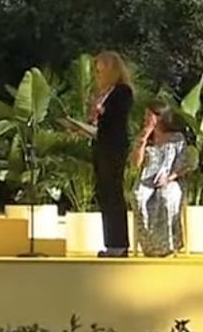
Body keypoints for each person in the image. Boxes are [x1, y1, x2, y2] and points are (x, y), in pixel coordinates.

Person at [88, 51, 135, 257]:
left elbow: (117, 118)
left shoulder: (122, 91)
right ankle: (110, 243)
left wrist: (102, 111)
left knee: (113, 192)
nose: (98, 75)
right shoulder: (103, 92)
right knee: (103, 192)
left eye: (101, 70)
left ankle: (119, 243)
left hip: (114, 147)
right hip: (101, 145)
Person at [131, 104, 186, 257]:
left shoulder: (177, 138)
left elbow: (183, 164)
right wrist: (143, 138)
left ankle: (169, 245)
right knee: (138, 197)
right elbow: (135, 164)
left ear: (159, 117)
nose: (145, 119)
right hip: (146, 179)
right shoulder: (144, 138)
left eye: (149, 115)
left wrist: (169, 178)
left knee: (166, 197)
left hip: (171, 178)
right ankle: (150, 246)